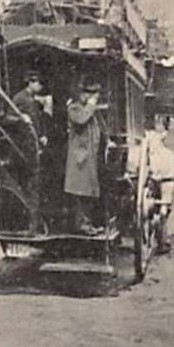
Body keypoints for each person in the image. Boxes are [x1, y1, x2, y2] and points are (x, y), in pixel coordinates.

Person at [64, 78, 106, 234]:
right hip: (79, 160)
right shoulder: (74, 108)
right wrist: (90, 105)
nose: (91, 97)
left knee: (88, 194)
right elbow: (81, 120)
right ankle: (82, 225)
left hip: (87, 158)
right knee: (81, 194)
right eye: (88, 94)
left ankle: (87, 224)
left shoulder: (88, 110)